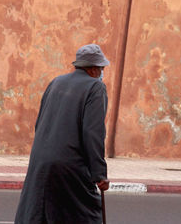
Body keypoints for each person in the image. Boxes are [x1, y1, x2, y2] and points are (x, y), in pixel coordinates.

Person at [15, 44, 110, 224]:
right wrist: (99, 174)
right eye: (101, 68)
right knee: (84, 215)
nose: (102, 72)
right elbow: (93, 134)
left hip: (40, 161)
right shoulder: (95, 88)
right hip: (69, 164)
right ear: (92, 69)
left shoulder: (56, 82)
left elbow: (39, 123)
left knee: (41, 213)